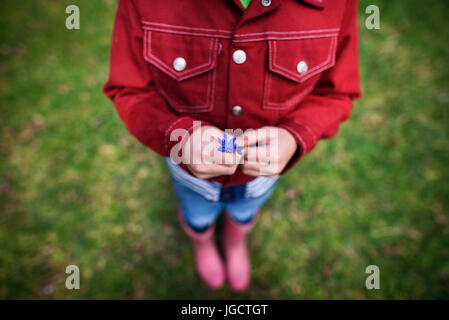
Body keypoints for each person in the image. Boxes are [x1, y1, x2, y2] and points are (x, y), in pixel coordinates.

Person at [104, 0, 361, 291]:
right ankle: (202, 242)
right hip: (188, 174)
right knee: (197, 214)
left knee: (244, 212)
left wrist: (295, 135)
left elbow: (338, 93)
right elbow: (129, 89)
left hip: (261, 179)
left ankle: (234, 240)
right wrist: (177, 136)